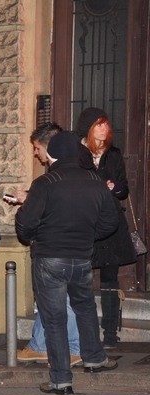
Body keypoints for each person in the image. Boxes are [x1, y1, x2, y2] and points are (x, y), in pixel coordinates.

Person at [15, 131, 120, 394]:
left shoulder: (45, 183)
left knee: (54, 318)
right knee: (84, 308)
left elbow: (26, 225)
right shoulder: (95, 182)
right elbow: (111, 222)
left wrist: (30, 226)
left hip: (50, 258)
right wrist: (87, 235)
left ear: (51, 154)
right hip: (81, 257)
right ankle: (95, 358)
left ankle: (61, 378)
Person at [9, 122, 82, 366]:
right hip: (67, 248)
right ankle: (39, 345)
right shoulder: (72, 173)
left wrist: (28, 203)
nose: (35, 153)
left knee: (64, 301)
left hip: (58, 249)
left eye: (37, 147)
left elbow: (56, 209)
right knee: (48, 299)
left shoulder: (56, 177)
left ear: (50, 147)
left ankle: (73, 348)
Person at [76, 108, 136, 348]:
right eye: (99, 125)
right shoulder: (76, 153)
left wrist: (114, 187)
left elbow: (124, 189)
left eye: (106, 124)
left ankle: (110, 331)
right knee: (82, 277)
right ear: (88, 128)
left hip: (110, 223)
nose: (105, 129)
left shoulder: (113, 154)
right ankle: (84, 331)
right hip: (84, 223)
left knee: (110, 278)